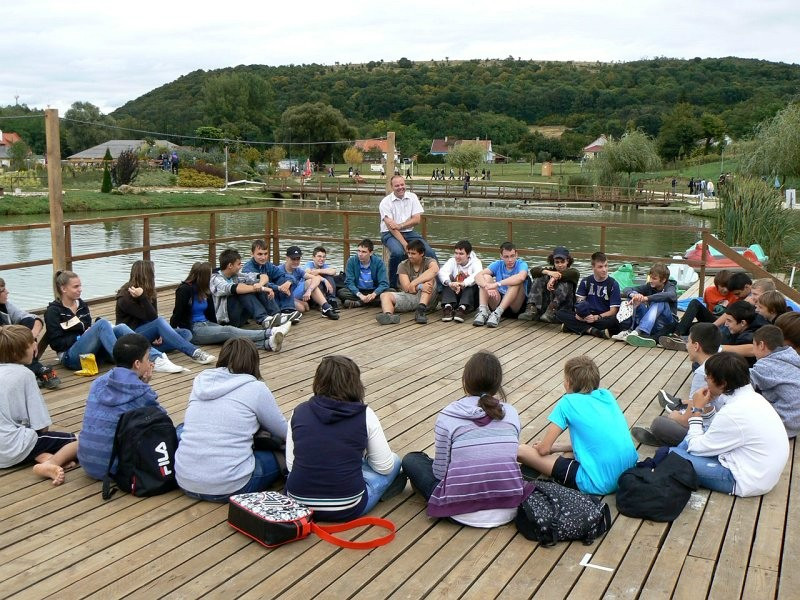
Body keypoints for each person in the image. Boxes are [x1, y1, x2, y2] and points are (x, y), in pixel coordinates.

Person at [402, 351, 531, 527]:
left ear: (465, 381)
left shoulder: (448, 414)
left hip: (459, 512)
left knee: (412, 460)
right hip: (510, 508)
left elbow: (440, 474)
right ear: (498, 384)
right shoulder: (511, 413)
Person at [285, 355, 404, 521]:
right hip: (347, 506)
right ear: (355, 383)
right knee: (395, 460)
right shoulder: (365, 414)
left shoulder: (298, 412)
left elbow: (291, 466)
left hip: (298, 503)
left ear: (318, 381)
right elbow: (384, 467)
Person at [175, 338, 289, 501]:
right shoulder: (256, 388)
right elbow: (283, 431)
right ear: (253, 363)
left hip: (185, 482)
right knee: (279, 453)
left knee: (184, 428)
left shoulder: (201, 381)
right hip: (231, 487)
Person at [669, 352, 789, 497]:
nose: (705, 379)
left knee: (670, 455)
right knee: (691, 440)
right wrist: (706, 406)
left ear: (723, 383)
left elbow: (696, 448)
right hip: (760, 472)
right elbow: (717, 429)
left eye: (708, 376)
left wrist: (697, 409)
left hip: (744, 480)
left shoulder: (733, 412)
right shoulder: (752, 398)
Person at [517, 356, 638, 495]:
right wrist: (556, 447)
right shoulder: (606, 395)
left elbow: (543, 450)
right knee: (568, 452)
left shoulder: (567, 402)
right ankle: (551, 471)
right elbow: (595, 442)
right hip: (627, 474)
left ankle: (545, 475)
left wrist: (543, 447)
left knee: (522, 451)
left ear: (568, 383)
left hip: (599, 482)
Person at [44, 270, 178, 373]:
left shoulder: (82, 305)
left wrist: (89, 333)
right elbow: (56, 343)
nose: (80, 289)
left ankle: (156, 358)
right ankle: (124, 364)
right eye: (75, 287)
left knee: (120, 328)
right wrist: (81, 337)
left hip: (91, 355)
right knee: (102, 324)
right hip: (70, 357)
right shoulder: (53, 311)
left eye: (80, 285)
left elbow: (87, 328)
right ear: (63, 289)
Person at [77, 333, 166, 479]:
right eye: (147, 359)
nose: (150, 363)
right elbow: (162, 421)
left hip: (88, 464)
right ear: (137, 364)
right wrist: (144, 385)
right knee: (178, 432)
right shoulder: (142, 392)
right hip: (115, 467)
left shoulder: (97, 383)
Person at [0, 325, 77, 485]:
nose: (36, 345)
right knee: (81, 440)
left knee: (35, 441)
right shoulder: (25, 374)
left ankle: (46, 459)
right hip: (11, 446)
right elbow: (41, 427)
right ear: (19, 352)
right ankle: (52, 462)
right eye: (32, 343)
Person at [631, 322, 722, 447]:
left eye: (688, 341)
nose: (686, 345)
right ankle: (676, 406)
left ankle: (664, 438)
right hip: (717, 419)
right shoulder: (721, 360)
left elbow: (689, 420)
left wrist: (675, 417)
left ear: (696, 346)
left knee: (659, 423)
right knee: (681, 409)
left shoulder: (703, 373)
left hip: (709, 432)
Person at [170, 262, 290, 353]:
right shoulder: (185, 290)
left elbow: (210, 313)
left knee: (230, 338)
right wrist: (171, 333)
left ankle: (267, 344)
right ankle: (269, 332)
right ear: (202, 277)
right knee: (229, 331)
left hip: (206, 324)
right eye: (209, 276)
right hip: (194, 330)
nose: (211, 279)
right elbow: (177, 313)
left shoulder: (204, 290)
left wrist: (215, 328)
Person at [115, 260, 215, 365]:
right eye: (152, 273)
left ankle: (145, 350)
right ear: (146, 275)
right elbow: (153, 318)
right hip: (131, 335)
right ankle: (194, 352)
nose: (154, 276)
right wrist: (142, 298)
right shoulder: (124, 296)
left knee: (186, 334)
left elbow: (153, 316)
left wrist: (159, 334)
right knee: (160, 322)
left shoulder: (148, 290)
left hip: (148, 334)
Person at [211, 248, 294, 329]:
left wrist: (260, 284)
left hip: (241, 318)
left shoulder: (236, 275)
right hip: (227, 321)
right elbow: (233, 288)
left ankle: (276, 315)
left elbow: (263, 276)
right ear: (230, 265)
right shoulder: (215, 278)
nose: (241, 267)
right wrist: (262, 288)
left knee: (256, 284)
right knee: (244, 290)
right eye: (239, 264)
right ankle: (263, 319)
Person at [379, 175, 437, 288]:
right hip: (389, 234)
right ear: (392, 187)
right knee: (398, 252)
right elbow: (391, 227)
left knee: (429, 252)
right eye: (397, 186)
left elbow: (417, 219)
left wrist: (400, 226)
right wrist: (405, 244)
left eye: (402, 184)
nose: (400, 187)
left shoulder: (412, 197)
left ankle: (438, 287)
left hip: (409, 232)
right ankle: (393, 285)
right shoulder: (385, 202)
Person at [0, 276, 60, 388]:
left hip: (12, 350)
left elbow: (33, 318)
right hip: (4, 352)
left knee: (28, 322)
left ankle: (32, 367)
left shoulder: (5, 305)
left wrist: (31, 338)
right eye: (2, 291)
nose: (7, 292)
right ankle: (35, 368)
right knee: (11, 336)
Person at [750, 325, 800, 438]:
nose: (753, 350)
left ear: (761, 345)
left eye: (753, 345)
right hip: (795, 423)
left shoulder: (766, 365)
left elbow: (741, 381)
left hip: (783, 425)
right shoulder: (791, 356)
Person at [557, 251, 621, 338]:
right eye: (600, 267)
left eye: (606, 266)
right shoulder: (586, 281)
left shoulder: (613, 284)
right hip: (586, 315)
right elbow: (579, 302)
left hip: (602, 316)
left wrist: (596, 317)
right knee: (560, 313)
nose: (604, 270)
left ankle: (572, 327)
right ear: (593, 267)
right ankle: (592, 330)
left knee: (613, 322)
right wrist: (581, 315)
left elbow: (613, 311)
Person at [614, 263, 678, 347]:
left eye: (654, 278)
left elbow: (671, 295)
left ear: (663, 280)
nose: (651, 280)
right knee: (633, 298)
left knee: (660, 301)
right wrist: (635, 295)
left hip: (666, 324)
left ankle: (638, 331)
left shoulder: (670, 287)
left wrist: (646, 298)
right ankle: (629, 330)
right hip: (651, 323)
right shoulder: (649, 286)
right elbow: (627, 289)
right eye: (650, 277)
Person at [376, 239, 439, 325]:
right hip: (411, 297)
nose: (410, 256)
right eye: (408, 253)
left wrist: (414, 283)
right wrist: (420, 286)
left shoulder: (429, 261)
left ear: (422, 254)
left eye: (413, 254)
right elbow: (407, 288)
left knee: (429, 280)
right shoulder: (403, 265)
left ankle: (421, 311)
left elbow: (435, 270)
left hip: (428, 299)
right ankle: (389, 315)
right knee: (384, 295)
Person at [473, 241, 529, 328]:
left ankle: (498, 313)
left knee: (516, 282)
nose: (510, 260)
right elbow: (477, 276)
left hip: (514, 306)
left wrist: (497, 284)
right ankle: (483, 311)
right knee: (486, 277)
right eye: (506, 257)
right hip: (497, 302)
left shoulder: (522, 264)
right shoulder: (497, 264)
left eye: (512, 256)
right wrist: (486, 285)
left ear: (516, 255)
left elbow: (521, 277)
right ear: (501, 256)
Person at [518, 246, 579, 323]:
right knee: (539, 277)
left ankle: (551, 311)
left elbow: (574, 273)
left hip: (562, 310)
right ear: (553, 262)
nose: (560, 265)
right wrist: (549, 273)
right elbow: (534, 271)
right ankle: (531, 309)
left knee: (566, 282)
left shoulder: (573, 273)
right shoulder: (550, 271)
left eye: (562, 262)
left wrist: (553, 278)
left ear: (567, 261)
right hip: (545, 311)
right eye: (557, 262)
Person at [276, 246, 339, 320]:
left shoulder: (298, 270)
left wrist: (309, 291)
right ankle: (286, 311)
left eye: (298, 259)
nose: (296, 262)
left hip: (294, 294)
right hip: (282, 297)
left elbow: (315, 278)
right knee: (302, 308)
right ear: (286, 258)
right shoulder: (278, 270)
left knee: (310, 282)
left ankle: (326, 308)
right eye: (293, 259)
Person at [240, 239, 297, 321]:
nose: (263, 257)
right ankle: (275, 314)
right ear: (252, 254)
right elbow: (260, 285)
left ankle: (288, 310)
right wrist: (278, 288)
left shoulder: (268, 265)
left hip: (269, 296)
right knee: (263, 287)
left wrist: (288, 282)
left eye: (265, 254)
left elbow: (284, 275)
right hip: (257, 297)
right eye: (260, 254)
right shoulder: (248, 268)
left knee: (284, 280)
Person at [438, 240, 482, 323]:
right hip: (455, 294)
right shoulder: (452, 261)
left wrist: (463, 283)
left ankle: (462, 308)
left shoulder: (476, 262)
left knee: (472, 283)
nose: (457, 256)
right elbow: (442, 272)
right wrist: (450, 283)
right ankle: (448, 307)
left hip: (471, 298)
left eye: (461, 254)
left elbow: (477, 274)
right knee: (446, 281)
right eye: (456, 253)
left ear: (468, 254)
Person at [338, 238, 390, 309]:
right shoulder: (351, 261)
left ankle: (359, 303)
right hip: (358, 290)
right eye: (358, 251)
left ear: (371, 253)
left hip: (373, 290)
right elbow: (349, 282)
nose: (360, 254)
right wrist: (360, 295)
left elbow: (384, 283)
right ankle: (369, 302)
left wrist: (374, 294)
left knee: (390, 292)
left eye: (364, 252)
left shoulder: (379, 262)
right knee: (341, 292)